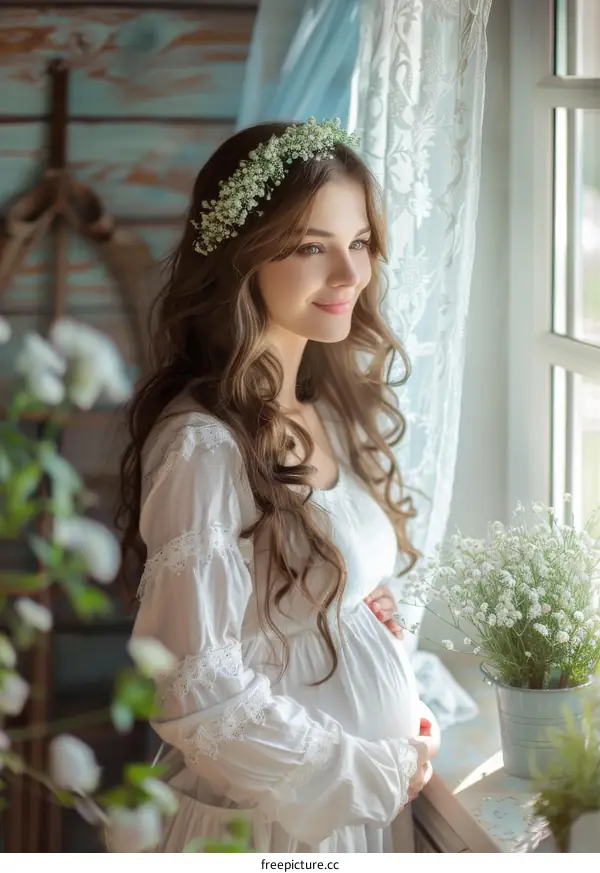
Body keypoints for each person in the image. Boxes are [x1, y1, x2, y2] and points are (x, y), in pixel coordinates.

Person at [117, 118, 439, 853]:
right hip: (271, 829)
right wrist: (363, 773)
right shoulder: (203, 444)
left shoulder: (323, 403)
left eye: (359, 242)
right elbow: (194, 689)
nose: (351, 274)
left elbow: (293, 612)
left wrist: (364, 613)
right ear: (242, 258)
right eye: (310, 247)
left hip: (358, 815)